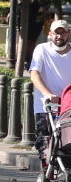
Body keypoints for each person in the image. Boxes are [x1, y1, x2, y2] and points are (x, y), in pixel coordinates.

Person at [29, 16, 71, 170]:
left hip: (68, 106)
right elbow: (34, 74)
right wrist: (47, 93)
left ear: (68, 33)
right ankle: (48, 176)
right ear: (50, 34)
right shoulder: (42, 49)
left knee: (67, 142)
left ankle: (65, 173)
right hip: (46, 105)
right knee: (45, 142)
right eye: (56, 33)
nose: (60, 36)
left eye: (63, 33)